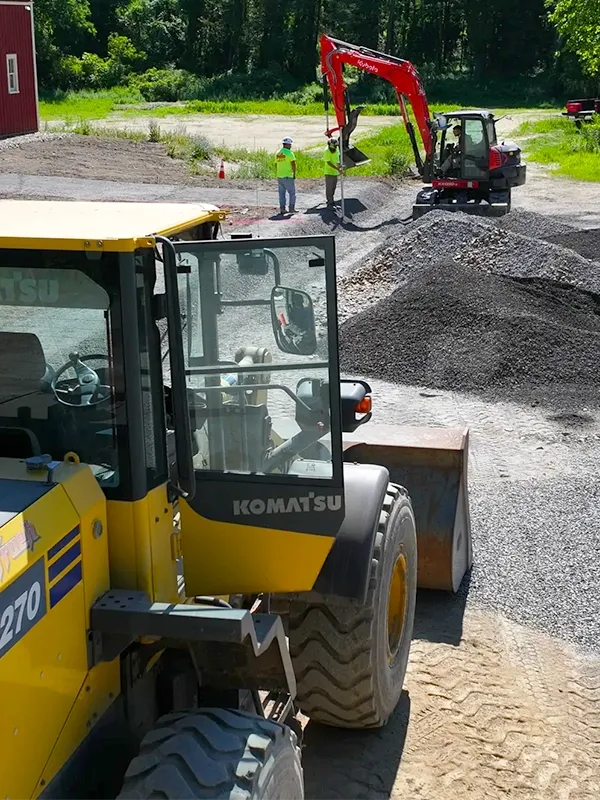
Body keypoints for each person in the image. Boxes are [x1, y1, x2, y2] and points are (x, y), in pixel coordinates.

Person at [275, 137, 296, 215]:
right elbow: (293, 164)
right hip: (287, 175)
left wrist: (278, 173)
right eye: (290, 144)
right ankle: (291, 208)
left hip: (280, 175)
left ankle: (282, 209)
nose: (290, 146)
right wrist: (294, 173)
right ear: (287, 144)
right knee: (292, 192)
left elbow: (276, 164)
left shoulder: (278, 153)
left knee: (281, 193)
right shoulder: (289, 153)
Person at [323, 137, 342, 207]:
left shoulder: (337, 149)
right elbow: (328, 162)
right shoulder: (326, 151)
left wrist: (339, 167)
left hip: (335, 172)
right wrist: (337, 168)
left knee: (334, 187)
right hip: (329, 172)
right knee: (329, 188)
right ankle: (329, 201)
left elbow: (337, 160)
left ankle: (332, 199)